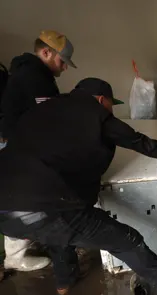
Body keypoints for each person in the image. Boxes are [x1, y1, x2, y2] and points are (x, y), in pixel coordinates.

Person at [0, 78, 157, 295]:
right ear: (101, 100)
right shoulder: (96, 115)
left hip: (6, 210)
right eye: (111, 105)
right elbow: (142, 142)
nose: (111, 111)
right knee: (128, 242)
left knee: (58, 232)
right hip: (46, 208)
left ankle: (65, 283)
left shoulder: (42, 109)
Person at [0, 30, 76, 272]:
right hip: (17, 147)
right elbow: (47, 120)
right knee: (22, 201)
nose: (63, 68)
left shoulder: (28, 71)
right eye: (62, 61)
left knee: (20, 200)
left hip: (16, 144)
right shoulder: (35, 76)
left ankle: (24, 246)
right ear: (46, 52)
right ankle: (15, 257)